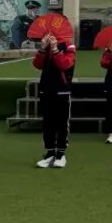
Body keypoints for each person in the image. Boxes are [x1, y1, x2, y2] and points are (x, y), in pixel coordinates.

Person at [32, 33, 76, 168]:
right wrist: (43, 48)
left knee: (62, 123)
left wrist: (55, 49)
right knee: (48, 123)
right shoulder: (46, 46)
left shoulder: (69, 46)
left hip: (62, 91)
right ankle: (50, 153)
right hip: (46, 90)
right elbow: (37, 64)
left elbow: (65, 64)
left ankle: (61, 154)